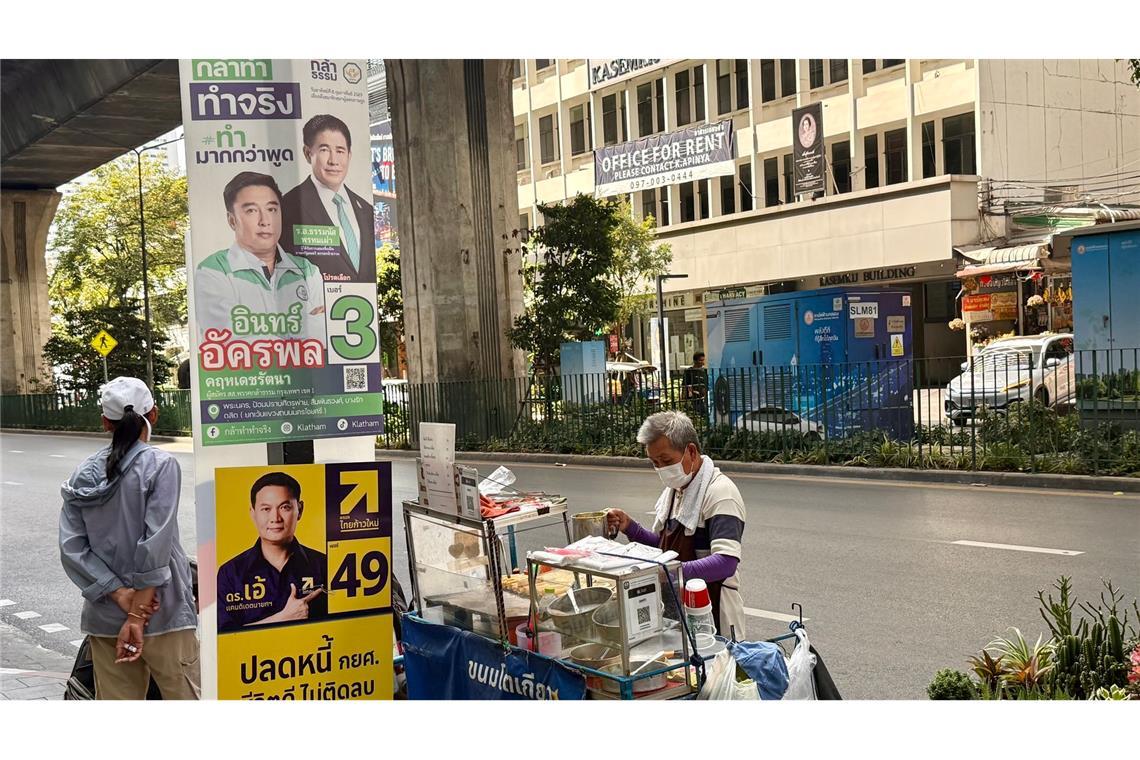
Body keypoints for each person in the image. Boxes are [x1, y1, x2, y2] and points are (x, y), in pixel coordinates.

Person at [59, 376, 200, 699]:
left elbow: (72, 549)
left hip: (106, 617)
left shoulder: (81, 474)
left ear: (105, 423)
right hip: (164, 612)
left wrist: (119, 594)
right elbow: (156, 543)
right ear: (153, 415)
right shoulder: (160, 464)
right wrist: (137, 613)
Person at [606, 410, 747, 639]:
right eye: (654, 463)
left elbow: (726, 562)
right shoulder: (675, 491)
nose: (661, 469)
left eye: (666, 461)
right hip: (676, 610)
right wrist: (630, 527)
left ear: (690, 451)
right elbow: (666, 548)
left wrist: (670, 572)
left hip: (713, 614)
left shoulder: (721, 493)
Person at [194, 171, 326, 345]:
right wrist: (308, 326)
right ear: (232, 220)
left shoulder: (307, 270)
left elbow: (326, 336)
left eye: (271, 209)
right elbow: (234, 343)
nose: (265, 221)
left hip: (304, 373)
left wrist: (259, 331)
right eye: (251, 211)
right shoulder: (212, 272)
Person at [216, 471, 327, 631]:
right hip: (254, 657)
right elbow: (224, 637)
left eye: (285, 507)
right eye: (266, 509)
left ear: (300, 510)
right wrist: (283, 618)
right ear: (253, 513)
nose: (275, 518)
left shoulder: (324, 566)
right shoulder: (230, 573)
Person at [281, 114, 376, 283]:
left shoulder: (367, 210)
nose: (334, 161)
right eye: (324, 150)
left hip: (360, 307)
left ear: (349, 155)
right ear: (308, 153)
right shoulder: (287, 206)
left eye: (340, 151)